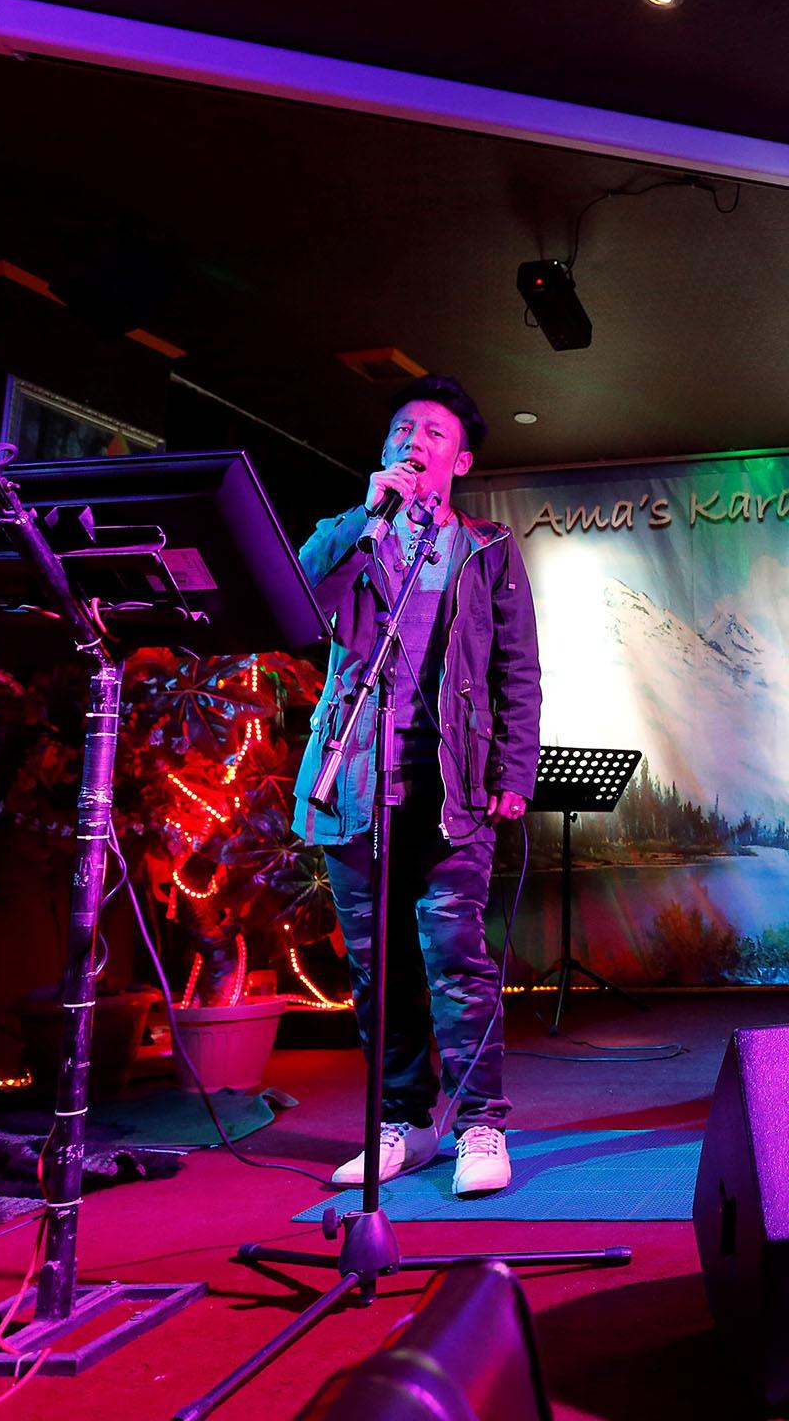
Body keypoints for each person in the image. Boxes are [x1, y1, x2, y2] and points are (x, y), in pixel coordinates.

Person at [291, 374, 539, 1195]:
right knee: (377, 971)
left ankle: (478, 1127)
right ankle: (403, 1121)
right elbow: (294, 606)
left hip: (453, 791)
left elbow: (516, 671)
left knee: (457, 962)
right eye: (402, 428)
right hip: (355, 783)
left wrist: (512, 771)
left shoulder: (491, 550)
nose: (413, 441)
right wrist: (365, 518)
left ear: (460, 460)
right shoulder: (350, 534)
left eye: (433, 432)